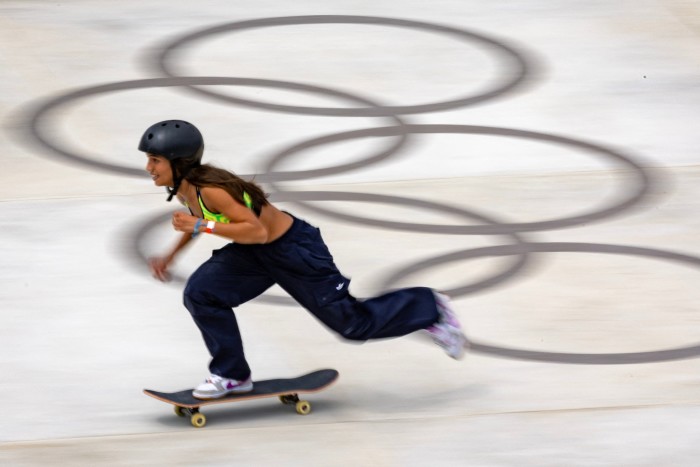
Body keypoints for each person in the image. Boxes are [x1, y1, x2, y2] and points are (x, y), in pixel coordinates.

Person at [140, 119, 467, 400]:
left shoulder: (210, 188)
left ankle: (430, 307)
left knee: (353, 325)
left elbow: (257, 232)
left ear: (178, 161)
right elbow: (202, 219)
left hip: (293, 250)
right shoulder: (186, 188)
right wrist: (170, 255)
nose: (148, 168)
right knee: (201, 293)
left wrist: (201, 225)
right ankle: (232, 374)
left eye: (155, 160)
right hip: (253, 253)